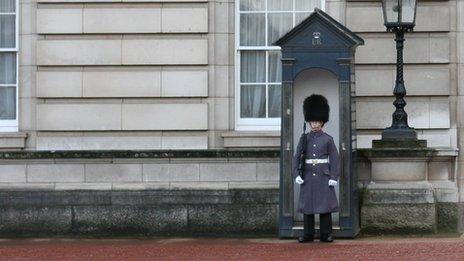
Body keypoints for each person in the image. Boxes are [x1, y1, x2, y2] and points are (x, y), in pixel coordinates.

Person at [292, 94, 340, 243]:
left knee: (325, 206)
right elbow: (296, 156)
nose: (315, 124)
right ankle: (308, 233)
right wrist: (296, 174)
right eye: (313, 121)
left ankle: (326, 234)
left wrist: (333, 177)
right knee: (308, 206)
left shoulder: (328, 139)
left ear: (322, 122)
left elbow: (335, 158)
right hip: (307, 175)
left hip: (323, 176)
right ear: (309, 121)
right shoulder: (304, 138)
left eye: (317, 121)